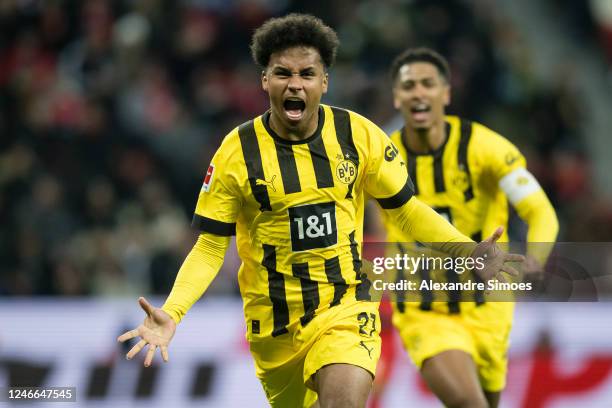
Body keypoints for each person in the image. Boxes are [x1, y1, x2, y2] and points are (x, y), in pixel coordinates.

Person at [118, 16, 522, 407]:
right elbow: (209, 248)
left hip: (344, 307)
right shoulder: (235, 154)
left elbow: (406, 211)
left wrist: (465, 251)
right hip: (274, 330)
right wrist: (172, 311)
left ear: (324, 81)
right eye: (282, 73)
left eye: (307, 73)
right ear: (265, 80)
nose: (295, 84)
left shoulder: (358, 135)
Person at [379, 47, 559, 408]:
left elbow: (540, 210)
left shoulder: (486, 148)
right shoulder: (379, 157)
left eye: (428, 83)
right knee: (468, 403)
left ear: (445, 94)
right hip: (424, 306)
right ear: (397, 98)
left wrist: (535, 258)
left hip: (489, 305)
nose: (418, 92)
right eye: (408, 85)